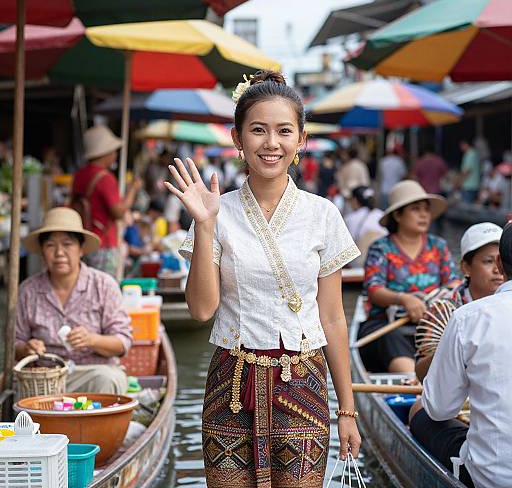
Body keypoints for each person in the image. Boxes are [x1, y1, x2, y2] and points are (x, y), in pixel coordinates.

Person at [165, 70, 361, 487]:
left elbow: (333, 319)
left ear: (300, 141)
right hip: (231, 382)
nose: (271, 143)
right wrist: (203, 225)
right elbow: (201, 309)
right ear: (238, 139)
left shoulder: (323, 214)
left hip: (302, 382)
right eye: (258, 130)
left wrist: (347, 410)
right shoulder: (217, 211)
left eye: (284, 131)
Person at [416, 223, 512, 488]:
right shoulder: (447, 307)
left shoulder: (467, 318)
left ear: (501, 267)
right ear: (466, 267)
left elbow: (439, 408)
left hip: (494, 477)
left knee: (419, 411)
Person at [15, 207, 132, 394]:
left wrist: (91, 340)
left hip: (92, 373)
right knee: (21, 389)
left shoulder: (103, 285)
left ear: (81, 249)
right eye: (51, 245)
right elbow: (15, 342)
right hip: (45, 377)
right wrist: (27, 348)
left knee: (108, 379)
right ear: (43, 252)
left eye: (67, 244)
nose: (59, 252)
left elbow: (122, 343)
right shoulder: (28, 290)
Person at [359, 180, 459, 373]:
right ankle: (410, 382)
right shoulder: (381, 248)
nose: (423, 215)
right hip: (386, 326)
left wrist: (432, 300)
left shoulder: (438, 246)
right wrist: (404, 299)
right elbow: (373, 290)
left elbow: (453, 282)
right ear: (397, 215)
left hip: (432, 326)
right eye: (416, 209)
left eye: (426, 209)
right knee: (392, 338)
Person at [71, 125, 142, 278]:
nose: (115, 154)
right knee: (105, 288)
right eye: (113, 151)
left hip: (84, 241)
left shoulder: (80, 175)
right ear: (105, 153)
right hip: (104, 243)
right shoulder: (105, 178)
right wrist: (133, 189)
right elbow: (118, 212)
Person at [344, 185, 387, 266]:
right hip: (384, 261)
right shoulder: (382, 215)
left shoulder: (350, 219)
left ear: (355, 200)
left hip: (359, 266)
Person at [377, 143, 407, 208]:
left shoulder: (383, 161)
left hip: (384, 190)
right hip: (396, 190)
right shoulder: (399, 162)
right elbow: (403, 177)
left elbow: (379, 177)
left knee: (384, 213)